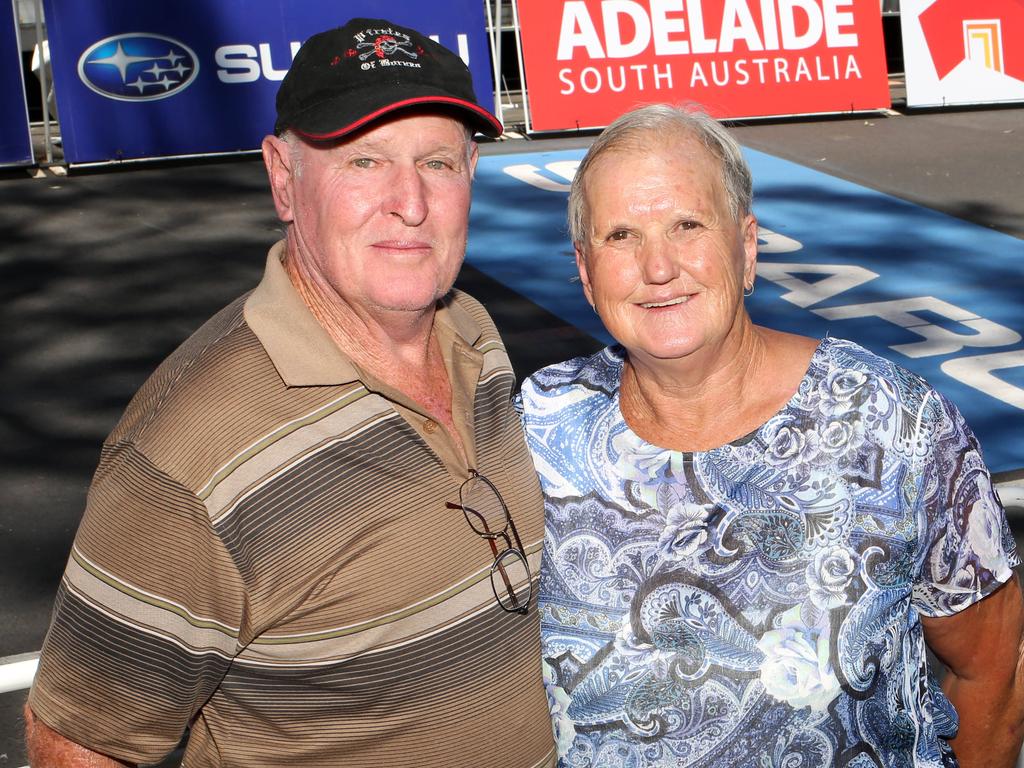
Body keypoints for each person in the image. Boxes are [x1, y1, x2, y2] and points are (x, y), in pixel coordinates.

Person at [26, 18, 555, 768]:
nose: (409, 202)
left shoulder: (473, 333)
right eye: (364, 161)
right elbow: (80, 744)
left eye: (438, 163)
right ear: (283, 178)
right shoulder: (189, 456)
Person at [520, 104, 1024, 767]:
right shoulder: (539, 421)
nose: (658, 266)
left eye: (687, 224)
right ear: (585, 273)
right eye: (621, 236)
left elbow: (993, 670)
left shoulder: (893, 421)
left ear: (747, 246)